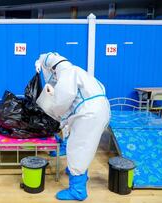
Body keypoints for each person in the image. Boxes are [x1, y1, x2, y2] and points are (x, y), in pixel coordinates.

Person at [35, 52, 110, 201]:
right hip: (100, 111)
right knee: (84, 146)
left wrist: (50, 98)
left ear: (52, 68)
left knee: (78, 148)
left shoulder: (67, 73)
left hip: (88, 115)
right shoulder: (79, 71)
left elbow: (61, 104)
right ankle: (79, 173)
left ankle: (77, 190)